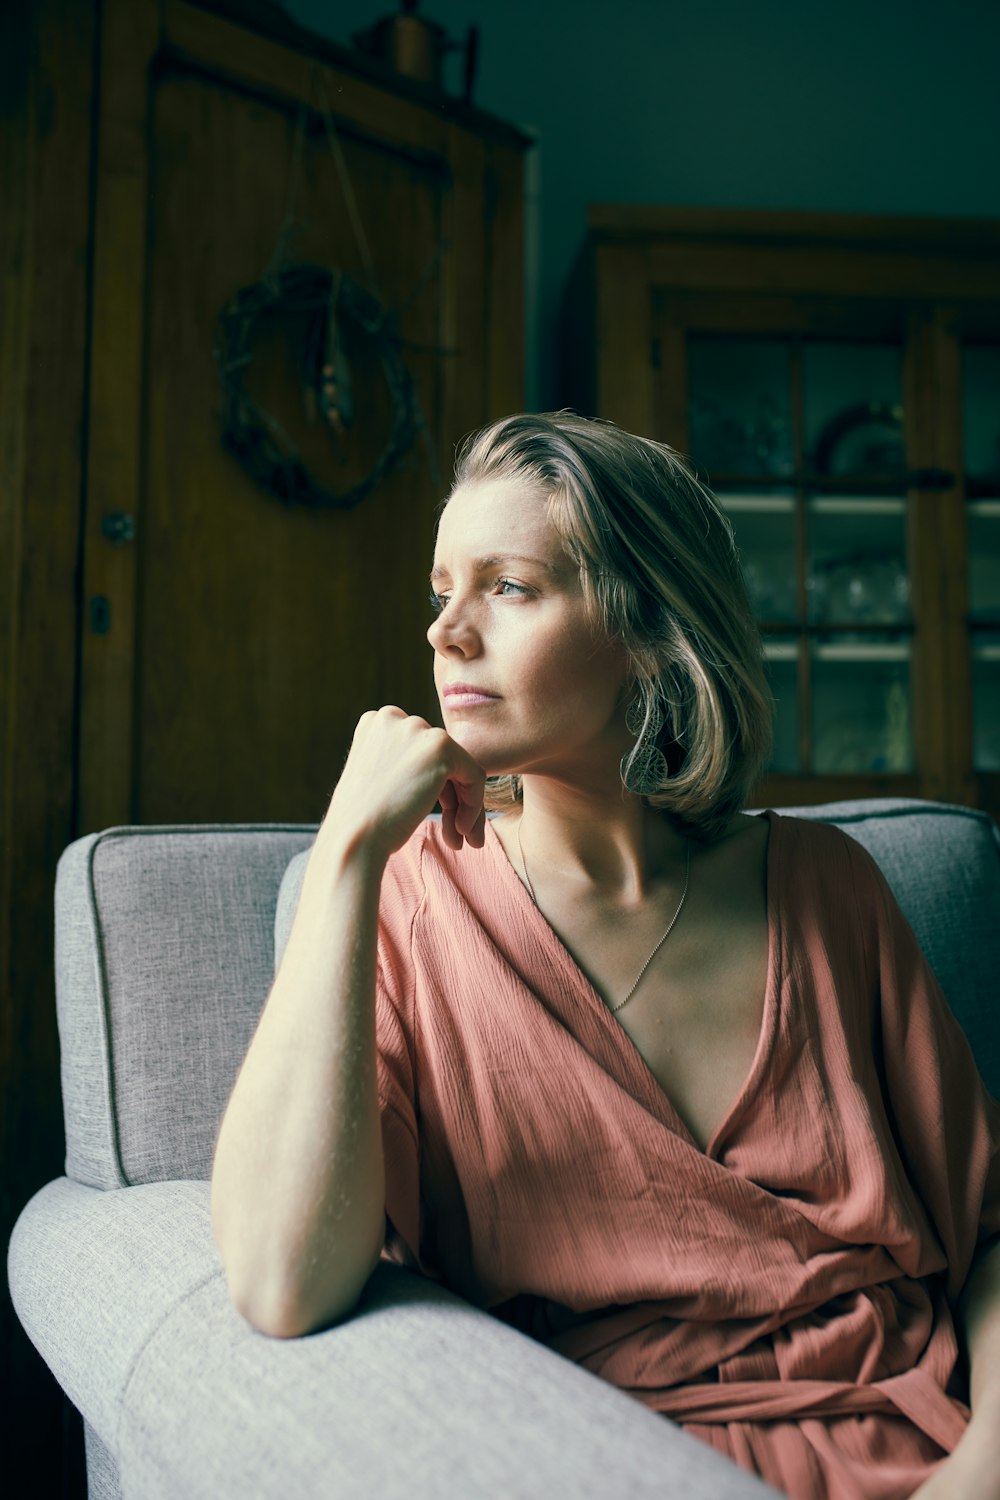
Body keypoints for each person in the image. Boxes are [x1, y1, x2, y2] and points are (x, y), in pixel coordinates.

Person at [211, 412, 1000, 1500]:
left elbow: (988, 1234)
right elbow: (276, 1282)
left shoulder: (830, 891)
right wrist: (346, 855)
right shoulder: (408, 906)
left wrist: (979, 1470)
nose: (447, 632)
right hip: (610, 1465)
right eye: (441, 591)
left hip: (921, 1438)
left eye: (510, 587)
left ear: (649, 627)